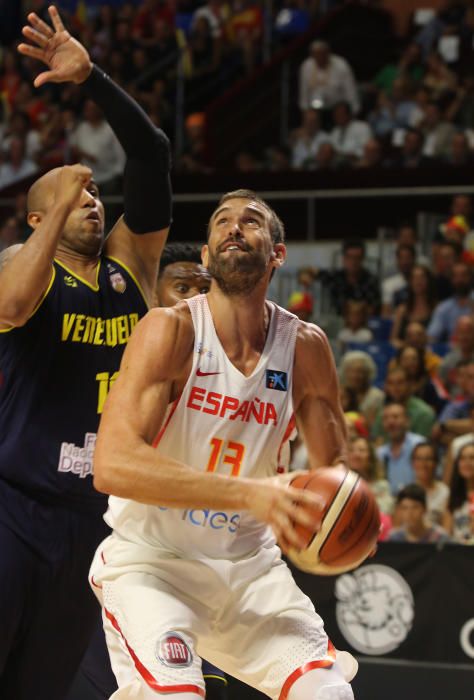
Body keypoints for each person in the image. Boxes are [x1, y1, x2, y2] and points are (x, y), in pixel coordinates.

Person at [90, 189, 358, 700]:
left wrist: (340, 522)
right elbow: (113, 465)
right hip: (152, 563)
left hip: (250, 568)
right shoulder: (170, 330)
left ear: (277, 253)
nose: (234, 227)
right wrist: (248, 494)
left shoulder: (304, 346)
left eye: (251, 221)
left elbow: (335, 475)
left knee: (329, 694)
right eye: (221, 221)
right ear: (207, 256)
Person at [0, 7, 172, 700]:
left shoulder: (130, 264)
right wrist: (51, 201)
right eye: (75, 198)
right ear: (38, 219)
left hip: (93, 519)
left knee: (43, 684)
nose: (92, 200)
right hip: (14, 506)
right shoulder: (21, 261)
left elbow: (153, 155)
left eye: (96, 192)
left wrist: (93, 76)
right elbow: (12, 305)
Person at [69, 244, 225, 700]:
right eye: (183, 288)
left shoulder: (232, 371)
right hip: (121, 555)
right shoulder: (121, 359)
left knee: (203, 689)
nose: (197, 299)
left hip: (196, 560)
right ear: (151, 299)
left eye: (204, 287)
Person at [376, 403, 425, 495]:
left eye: (395, 417)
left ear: (407, 421)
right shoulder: (380, 453)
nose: (390, 422)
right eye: (386, 418)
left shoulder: (419, 444)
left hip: (416, 499)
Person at [411, 442, 449, 526]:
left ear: (436, 463)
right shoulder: (406, 492)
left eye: (428, 459)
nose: (423, 463)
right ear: (412, 463)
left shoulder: (445, 492)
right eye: (419, 458)